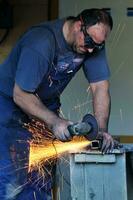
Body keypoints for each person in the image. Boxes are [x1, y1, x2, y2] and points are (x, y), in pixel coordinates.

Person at [0, 8, 114, 200]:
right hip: (8, 104)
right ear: (79, 26)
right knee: (10, 175)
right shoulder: (40, 42)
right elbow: (21, 95)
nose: (92, 50)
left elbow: (100, 88)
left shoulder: (92, 44)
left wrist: (100, 129)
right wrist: (54, 122)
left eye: (98, 46)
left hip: (46, 104)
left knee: (42, 175)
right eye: (89, 43)